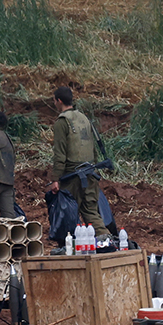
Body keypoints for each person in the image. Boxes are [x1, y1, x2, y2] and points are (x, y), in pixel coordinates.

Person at [47, 86, 106, 231]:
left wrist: (56, 179)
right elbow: (93, 148)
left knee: (67, 213)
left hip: (72, 175)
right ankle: (105, 240)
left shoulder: (62, 122)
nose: (54, 104)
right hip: (90, 172)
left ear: (59, 101)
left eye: (54, 101)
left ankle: (68, 246)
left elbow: (60, 153)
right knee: (90, 211)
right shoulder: (84, 118)